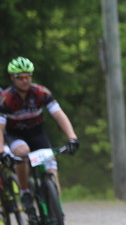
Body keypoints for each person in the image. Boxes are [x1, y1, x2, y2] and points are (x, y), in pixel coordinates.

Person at [0, 57, 79, 215]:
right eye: (20, 77)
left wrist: (72, 137)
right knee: (22, 152)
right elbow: (0, 128)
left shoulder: (41, 93)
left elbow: (59, 115)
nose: (25, 80)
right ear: (13, 78)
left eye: (28, 76)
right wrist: (1, 151)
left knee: (52, 171)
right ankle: (24, 192)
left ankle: (56, 212)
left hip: (37, 134)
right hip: (15, 135)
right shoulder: (6, 99)